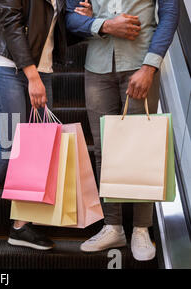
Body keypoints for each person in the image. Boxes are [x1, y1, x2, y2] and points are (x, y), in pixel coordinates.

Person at [65, 0, 179, 261]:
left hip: (140, 64)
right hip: (97, 67)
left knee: (142, 149)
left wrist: (150, 66)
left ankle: (141, 229)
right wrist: (104, 25)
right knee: (104, 151)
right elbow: (69, 16)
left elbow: (170, 13)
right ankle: (113, 227)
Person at [0, 0, 72, 250]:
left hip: (43, 73)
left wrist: (84, 20)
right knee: (12, 147)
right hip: (9, 72)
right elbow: (10, 23)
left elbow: (55, 31)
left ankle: (20, 226)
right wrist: (33, 76)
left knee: (36, 151)